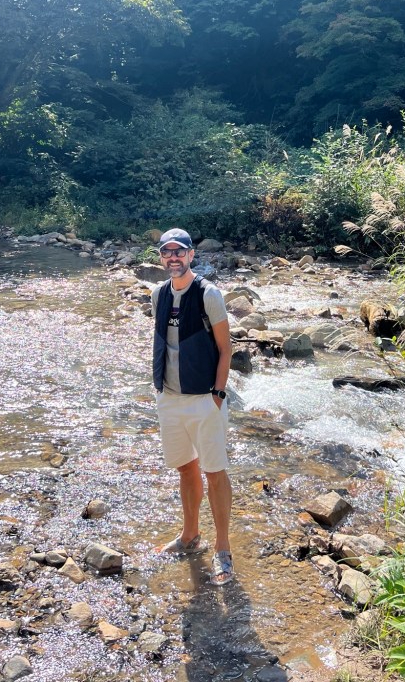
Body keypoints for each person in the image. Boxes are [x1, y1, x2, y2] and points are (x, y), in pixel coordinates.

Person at [151, 227, 234, 585]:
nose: (173, 258)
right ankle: (189, 535)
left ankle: (223, 548)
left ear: (190, 255)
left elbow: (226, 348)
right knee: (186, 469)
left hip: (204, 399)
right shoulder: (158, 294)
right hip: (169, 398)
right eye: (167, 252)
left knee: (215, 471)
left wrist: (217, 395)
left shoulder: (208, 294)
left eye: (179, 252)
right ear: (161, 258)